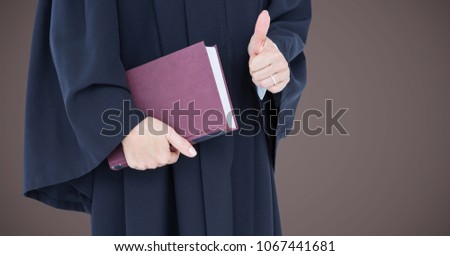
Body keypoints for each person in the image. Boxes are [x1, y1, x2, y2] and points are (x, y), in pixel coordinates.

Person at [24, 0, 312, 235]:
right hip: (144, 148)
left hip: (240, 144)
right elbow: (77, 27)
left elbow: (286, 14)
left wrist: (275, 54)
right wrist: (122, 124)